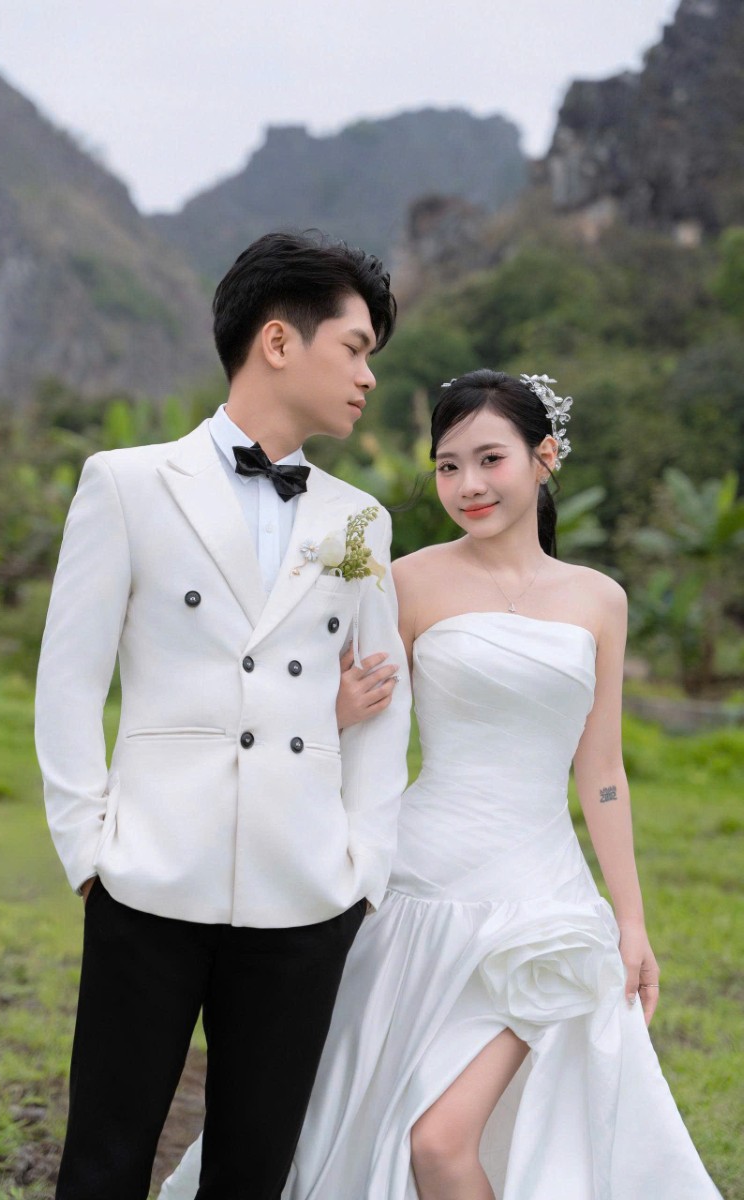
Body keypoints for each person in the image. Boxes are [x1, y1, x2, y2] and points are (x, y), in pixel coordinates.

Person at [160, 369, 721, 1199]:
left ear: (545, 457)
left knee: (441, 1142)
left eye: (490, 459)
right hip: (417, 887)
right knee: (383, 1125)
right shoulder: (407, 580)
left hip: (542, 903)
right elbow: (335, 722)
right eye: (448, 466)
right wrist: (336, 710)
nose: (468, 485)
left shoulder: (600, 599)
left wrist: (631, 922)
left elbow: (602, 771)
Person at [34, 230, 412, 1200]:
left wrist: (362, 868)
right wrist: (89, 854)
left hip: (303, 892)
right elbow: (69, 683)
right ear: (278, 342)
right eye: (355, 348)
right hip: (147, 878)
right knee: (104, 1163)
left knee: (253, 1172)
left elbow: (383, 701)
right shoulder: (126, 483)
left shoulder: (360, 522)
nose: (367, 377)